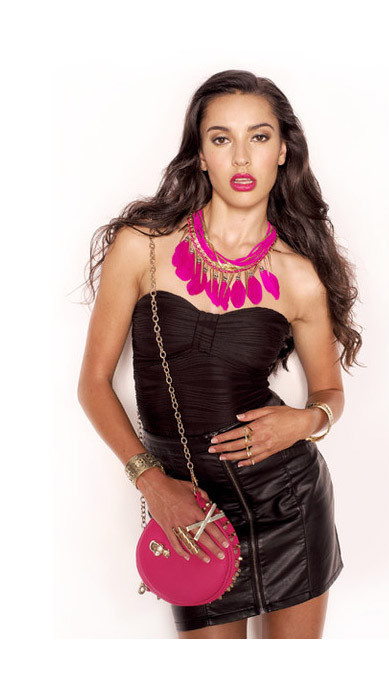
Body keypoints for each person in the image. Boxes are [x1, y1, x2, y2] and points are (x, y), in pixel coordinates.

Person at [79, 70, 360, 638]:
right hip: (188, 509)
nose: (241, 158)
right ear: (200, 155)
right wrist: (152, 484)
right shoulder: (143, 247)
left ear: (283, 151)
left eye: (258, 137)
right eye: (220, 138)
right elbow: (93, 383)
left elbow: (330, 393)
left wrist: (305, 420)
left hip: (287, 502)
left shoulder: (300, 279)